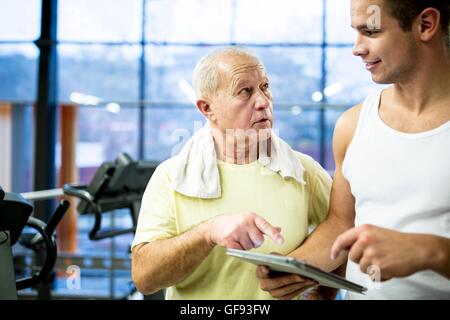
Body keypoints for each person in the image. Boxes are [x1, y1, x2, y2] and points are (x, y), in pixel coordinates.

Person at [257, 0, 450, 299]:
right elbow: (340, 224)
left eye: (371, 31)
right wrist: (297, 266)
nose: (357, 48)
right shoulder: (352, 125)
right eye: (355, 32)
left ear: (425, 25)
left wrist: (432, 251)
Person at [131, 47, 332, 299]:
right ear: (207, 108)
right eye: (245, 91)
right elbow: (145, 279)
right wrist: (208, 233)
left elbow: (343, 236)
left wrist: (324, 295)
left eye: (265, 86)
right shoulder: (169, 177)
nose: (262, 102)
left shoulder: (305, 171)